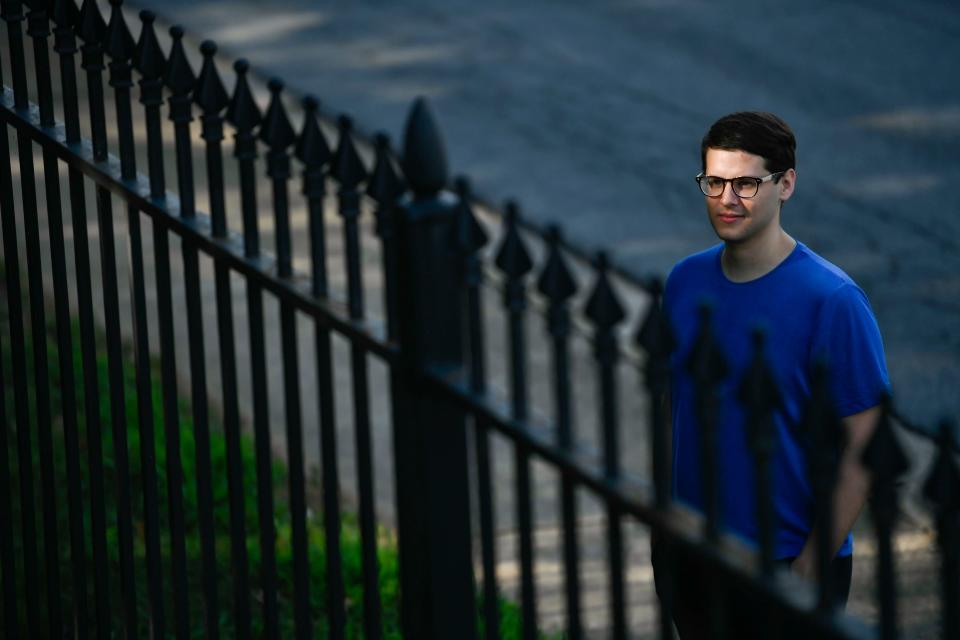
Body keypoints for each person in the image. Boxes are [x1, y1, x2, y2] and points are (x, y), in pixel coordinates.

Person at [651, 111, 890, 638]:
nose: (727, 199)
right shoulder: (685, 282)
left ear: (786, 184)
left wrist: (810, 564)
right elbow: (676, 404)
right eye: (714, 181)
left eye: (745, 183)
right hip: (693, 551)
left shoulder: (832, 300)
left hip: (787, 564)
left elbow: (865, 445)